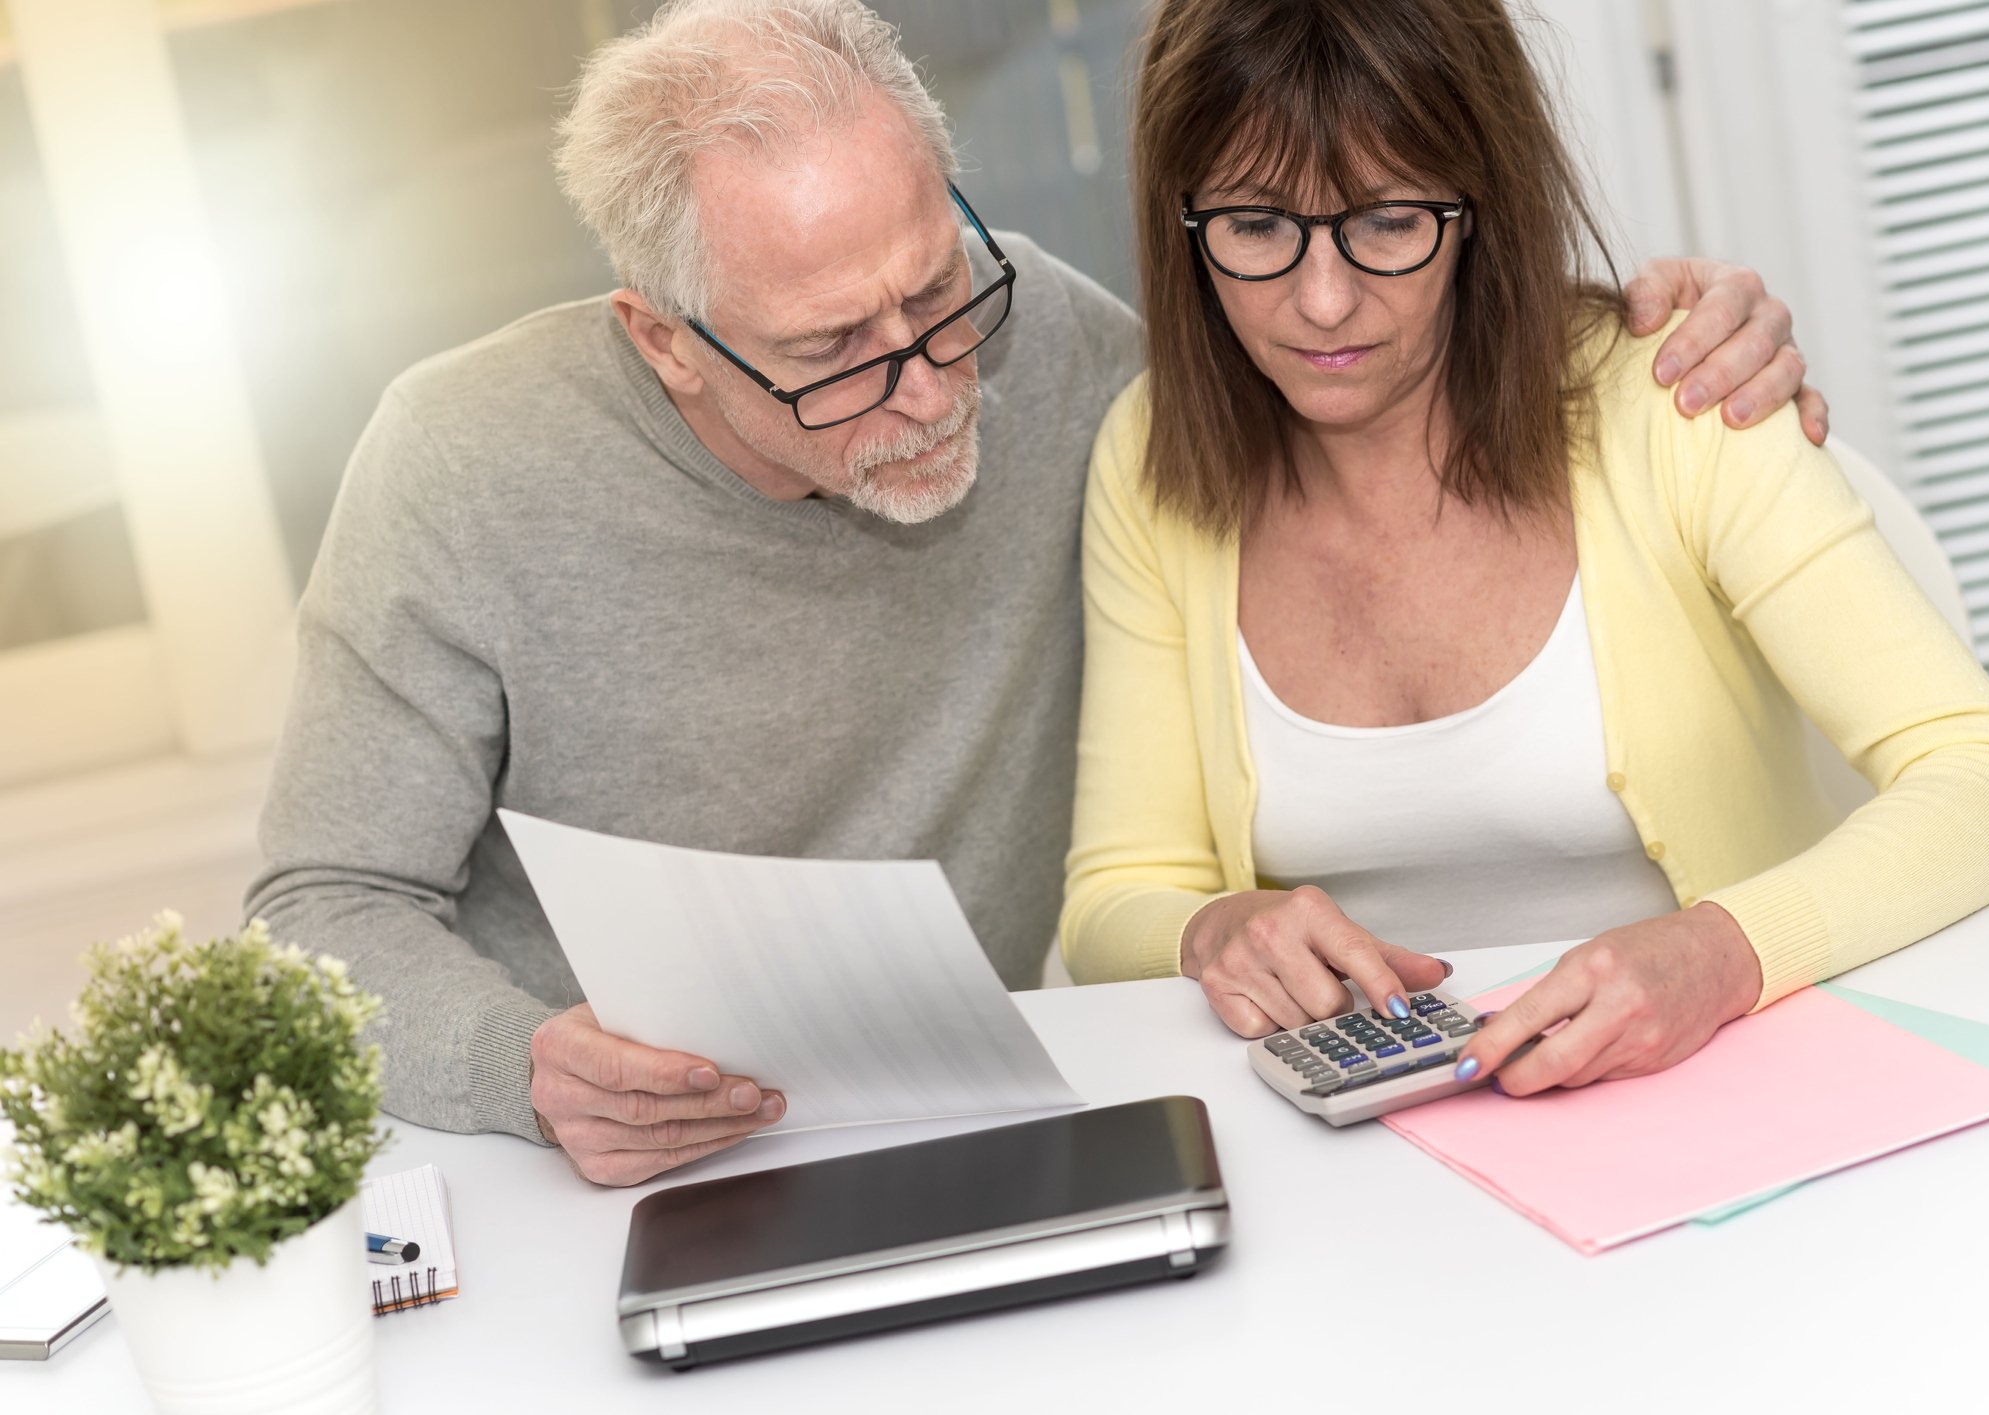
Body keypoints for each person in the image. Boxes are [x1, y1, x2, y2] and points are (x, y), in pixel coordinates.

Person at [248, 0, 1827, 1186]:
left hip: (982, 1111)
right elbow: (322, 905)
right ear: (663, 337)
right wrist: (520, 1067)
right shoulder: (458, 463)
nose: (932, 389)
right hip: (585, 1163)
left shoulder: (1070, 362)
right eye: (830, 357)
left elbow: (1359, 373)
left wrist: (1643, 328)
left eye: (939, 291)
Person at [1059, 0, 1989, 1096]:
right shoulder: (1149, 456)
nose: (1321, 302)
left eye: (1388, 221)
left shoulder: (1675, 397)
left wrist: (1723, 951)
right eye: (1255, 226)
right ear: (1181, 220)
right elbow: (1118, 891)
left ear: (1481, 205)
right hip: (1376, 1150)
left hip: (1731, 1088)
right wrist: (1211, 928)